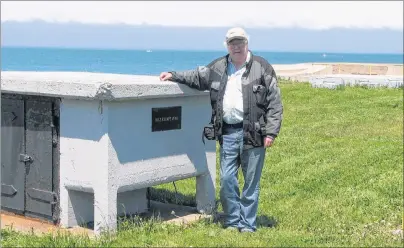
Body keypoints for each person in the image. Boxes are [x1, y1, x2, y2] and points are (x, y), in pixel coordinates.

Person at [159, 27, 283, 233]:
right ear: (227, 45)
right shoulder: (218, 67)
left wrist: (271, 132)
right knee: (227, 180)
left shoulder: (262, 67)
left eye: (240, 42)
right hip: (228, 132)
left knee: (251, 183)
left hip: (254, 133)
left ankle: (247, 224)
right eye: (232, 43)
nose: (236, 46)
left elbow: (275, 102)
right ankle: (233, 220)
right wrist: (173, 75)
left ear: (247, 44)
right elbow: (197, 77)